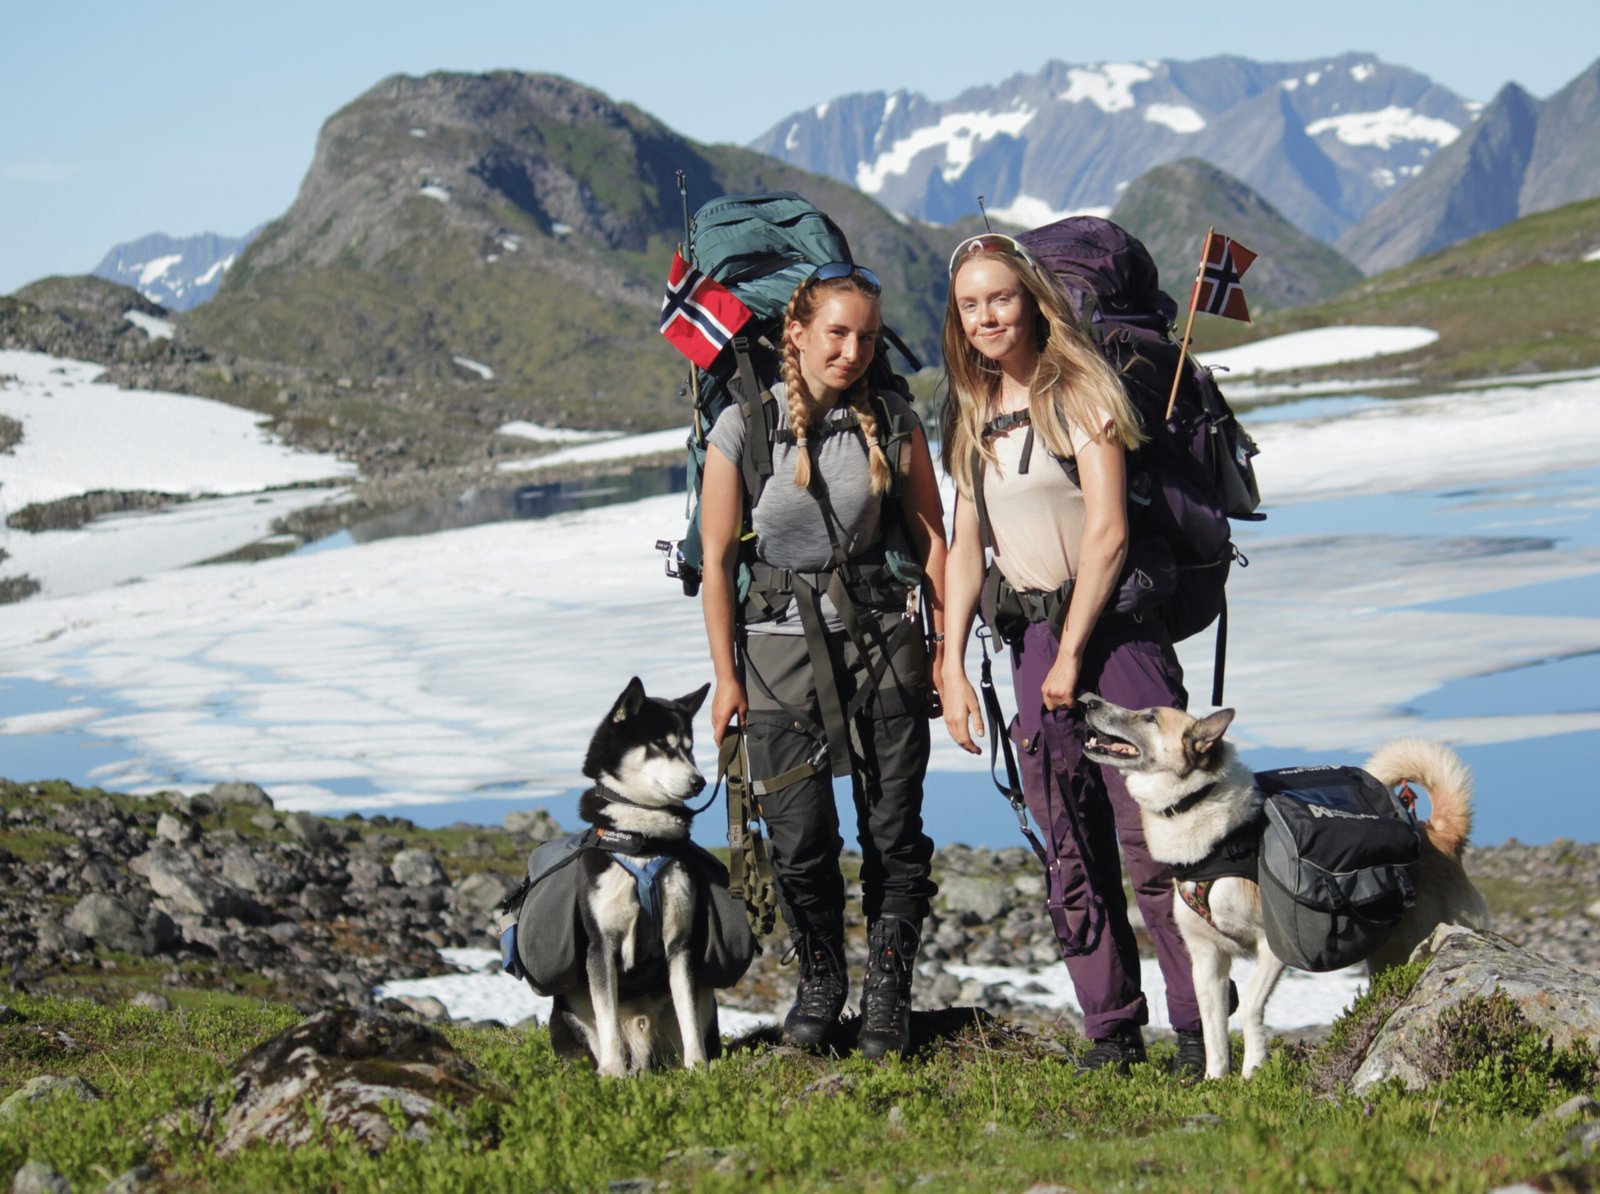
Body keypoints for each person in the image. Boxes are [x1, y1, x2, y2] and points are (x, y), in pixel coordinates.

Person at [936, 233, 1207, 1075]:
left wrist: (1072, 651)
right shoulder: (971, 408)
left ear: (1033, 300)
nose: (986, 317)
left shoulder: (1079, 388)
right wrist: (950, 666)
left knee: (1156, 837)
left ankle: (1201, 1030)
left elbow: (1109, 530)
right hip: (1030, 641)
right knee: (1069, 843)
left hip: (1115, 637)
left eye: (1001, 298)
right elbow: (968, 540)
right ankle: (1110, 1029)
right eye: (971, 303)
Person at [699, 261, 948, 1059]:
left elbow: (933, 542)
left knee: (894, 831)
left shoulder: (897, 421)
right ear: (796, 334)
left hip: (882, 643)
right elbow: (714, 565)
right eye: (837, 333)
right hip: (773, 656)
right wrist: (725, 679)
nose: (853, 350)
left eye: (867, 336)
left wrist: (942, 655)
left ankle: (886, 990)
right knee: (799, 839)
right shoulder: (745, 425)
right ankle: (820, 980)